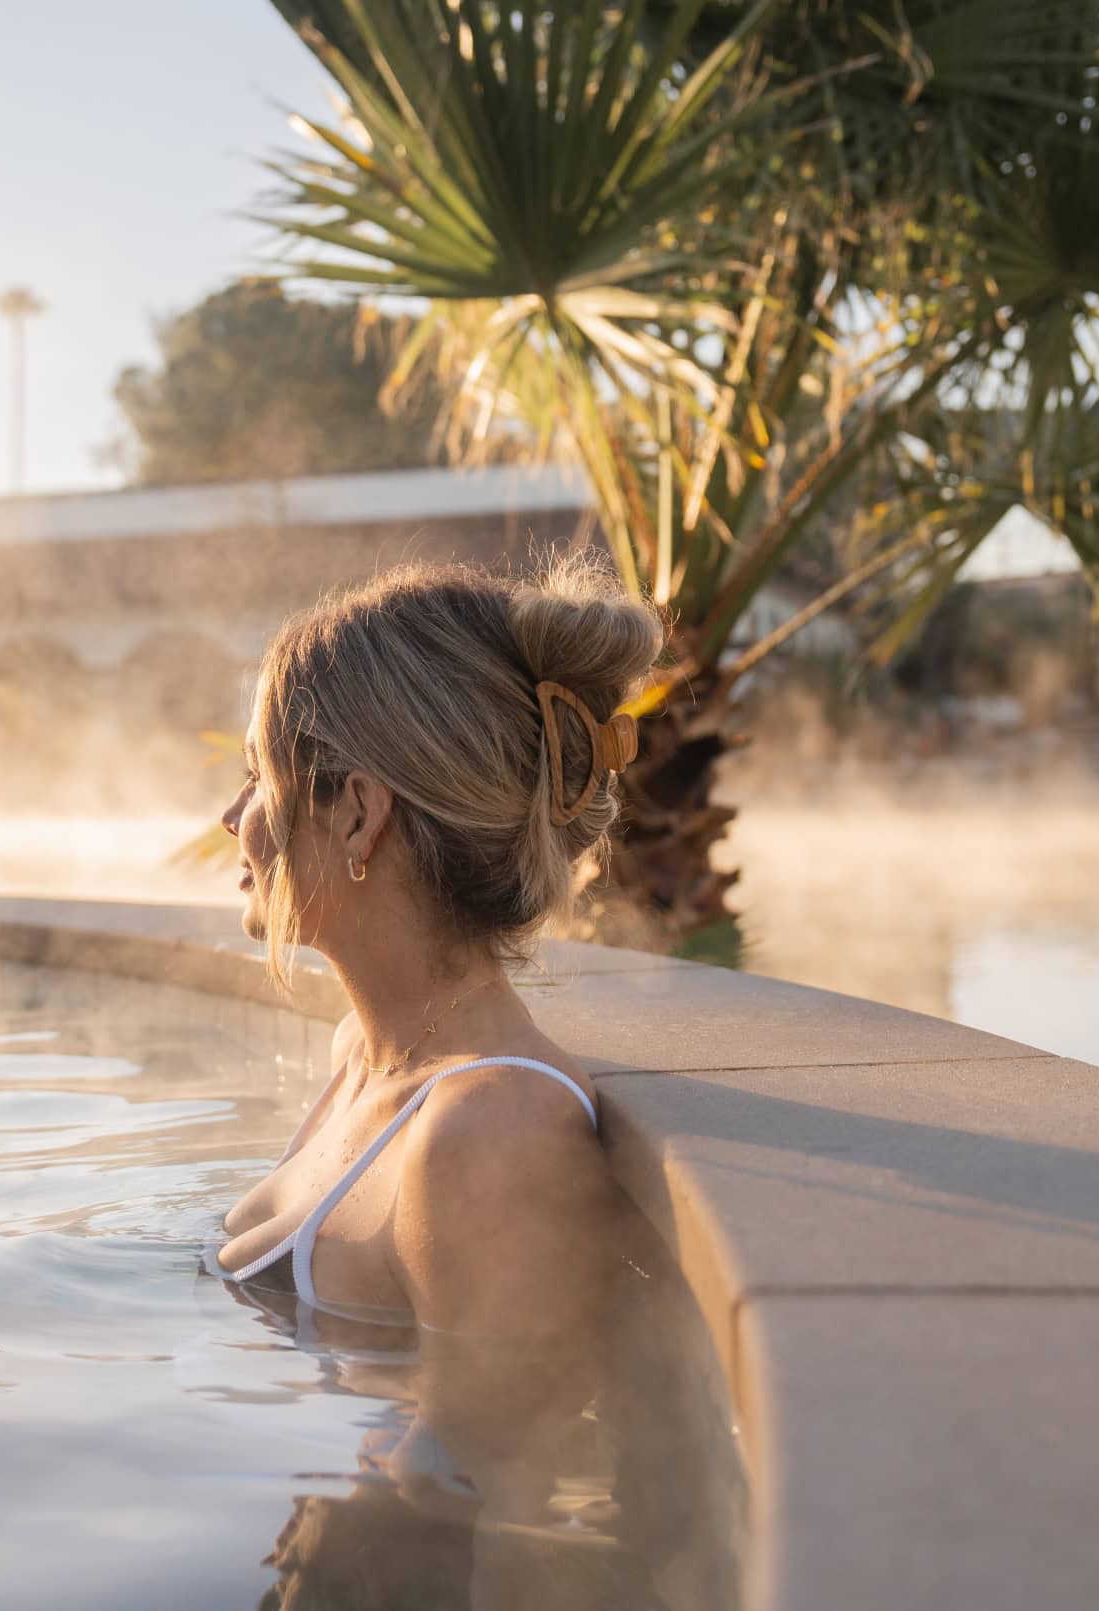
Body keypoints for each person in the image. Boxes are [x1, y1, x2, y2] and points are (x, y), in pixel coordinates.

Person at [207, 556, 665, 1535]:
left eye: (258, 779)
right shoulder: (360, 1057)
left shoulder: (489, 1132)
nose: (231, 821)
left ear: (358, 813)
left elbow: (478, 1489)